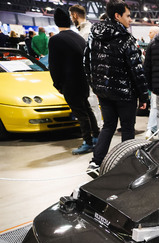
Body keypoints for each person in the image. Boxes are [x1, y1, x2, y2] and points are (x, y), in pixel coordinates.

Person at [84, 0, 149, 178]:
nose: (130, 19)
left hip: (104, 93)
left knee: (108, 126)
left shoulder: (94, 36)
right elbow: (137, 71)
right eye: (128, 15)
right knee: (128, 128)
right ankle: (126, 165)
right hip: (124, 93)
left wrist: (96, 86)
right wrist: (144, 97)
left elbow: (87, 63)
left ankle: (95, 163)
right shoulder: (126, 39)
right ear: (117, 16)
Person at [49, 7, 99, 155]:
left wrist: (57, 84)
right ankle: (95, 136)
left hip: (69, 83)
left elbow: (54, 65)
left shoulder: (55, 40)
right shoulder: (78, 37)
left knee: (80, 112)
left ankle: (87, 142)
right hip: (83, 81)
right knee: (87, 109)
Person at [69, 4, 103, 131]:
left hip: (90, 72)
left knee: (91, 100)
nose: (71, 19)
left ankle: (97, 127)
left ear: (75, 15)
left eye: (71, 16)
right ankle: (96, 127)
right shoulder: (84, 31)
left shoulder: (86, 32)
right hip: (88, 72)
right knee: (90, 100)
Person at [146, 25, 159, 135]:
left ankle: (151, 129)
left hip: (157, 82)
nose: (148, 34)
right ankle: (153, 128)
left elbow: (147, 67)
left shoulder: (152, 46)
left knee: (155, 106)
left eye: (150, 32)